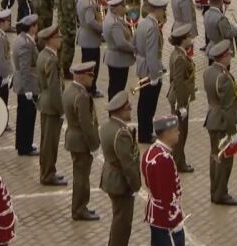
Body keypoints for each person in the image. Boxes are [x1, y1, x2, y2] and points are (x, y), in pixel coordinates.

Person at [100, 90, 142, 246]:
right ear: (120, 111)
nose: (130, 110)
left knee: (118, 218)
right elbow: (128, 165)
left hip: (110, 177)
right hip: (120, 183)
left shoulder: (106, 126)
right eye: (128, 108)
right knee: (122, 224)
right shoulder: (122, 133)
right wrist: (136, 185)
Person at [204, 39, 237, 206]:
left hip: (212, 117)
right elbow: (227, 107)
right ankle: (220, 193)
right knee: (224, 160)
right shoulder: (224, 77)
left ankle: (215, 190)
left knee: (214, 157)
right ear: (223, 57)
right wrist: (233, 131)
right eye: (228, 55)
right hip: (222, 122)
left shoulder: (209, 72)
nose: (230, 57)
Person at [63, 61, 101, 221]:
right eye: (89, 75)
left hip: (73, 138)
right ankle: (79, 209)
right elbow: (86, 124)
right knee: (81, 179)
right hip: (81, 142)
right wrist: (94, 144)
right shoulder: (82, 96)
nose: (92, 79)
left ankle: (80, 207)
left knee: (80, 176)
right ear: (81, 76)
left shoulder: (70, 90)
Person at [142, 114, 186, 246]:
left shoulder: (151, 151)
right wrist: (174, 220)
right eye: (175, 130)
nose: (178, 132)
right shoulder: (163, 159)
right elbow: (165, 193)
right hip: (165, 218)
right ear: (167, 134)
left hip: (156, 214)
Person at [134, 0, 168, 143]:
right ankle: (146, 134)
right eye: (163, 11)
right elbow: (152, 53)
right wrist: (154, 75)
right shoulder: (153, 27)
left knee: (143, 102)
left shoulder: (142, 23)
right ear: (158, 10)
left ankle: (144, 132)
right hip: (149, 69)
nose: (164, 14)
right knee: (148, 104)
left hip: (142, 66)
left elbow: (134, 45)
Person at [36, 24, 66, 186]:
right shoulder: (51, 59)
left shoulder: (43, 55)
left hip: (45, 102)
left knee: (47, 141)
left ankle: (49, 170)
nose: (60, 40)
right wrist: (61, 109)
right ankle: (47, 174)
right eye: (58, 37)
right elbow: (54, 87)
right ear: (51, 40)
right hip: (51, 105)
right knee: (50, 142)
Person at [166, 24, 196, 172]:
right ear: (183, 40)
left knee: (181, 132)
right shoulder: (179, 58)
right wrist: (181, 105)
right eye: (189, 36)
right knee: (181, 133)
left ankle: (179, 159)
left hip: (182, 96)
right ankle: (178, 163)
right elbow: (178, 82)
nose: (191, 38)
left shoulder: (179, 53)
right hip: (180, 99)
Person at [12, 14, 41, 156]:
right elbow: (25, 68)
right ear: (32, 27)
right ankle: (26, 146)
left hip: (23, 84)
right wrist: (29, 89)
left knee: (23, 116)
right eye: (36, 25)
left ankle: (22, 144)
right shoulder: (26, 43)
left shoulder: (21, 39)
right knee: (28, 117)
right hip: (27, 85)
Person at [103, 0, 134, 98]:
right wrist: (135, 49)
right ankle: (115, 110)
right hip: (119, 60)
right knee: (117, 88)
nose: (125, 7)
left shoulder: (111, 18)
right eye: (123, 5)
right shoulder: (115, 23)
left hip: (114, 58)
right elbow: (121, 43)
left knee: (114, 87)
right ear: (116, 9)